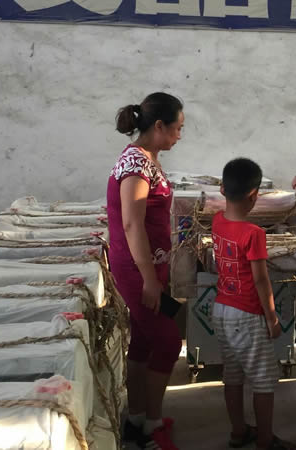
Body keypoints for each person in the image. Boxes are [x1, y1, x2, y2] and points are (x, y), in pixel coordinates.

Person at [107, 92, 184, 450]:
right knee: (168, 342)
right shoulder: (136, 163)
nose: (180, 136)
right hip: (138, 269)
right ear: (159, 126)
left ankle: (136, 419)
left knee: (142, 341)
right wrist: (149, 280)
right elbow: (131, 224)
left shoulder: (147, 159)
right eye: (177, 128)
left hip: (149, 266)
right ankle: (151, 426)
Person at [211, 158, 296, 450]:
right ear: (254, 196)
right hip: (247, 315)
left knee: (232, 375)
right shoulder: (254, 234)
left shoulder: (217, 221)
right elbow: (262, 281)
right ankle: (265, 440)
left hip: (221, 310)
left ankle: (238, 432)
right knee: (263, 380)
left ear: (222, 189)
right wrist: (272, 318)